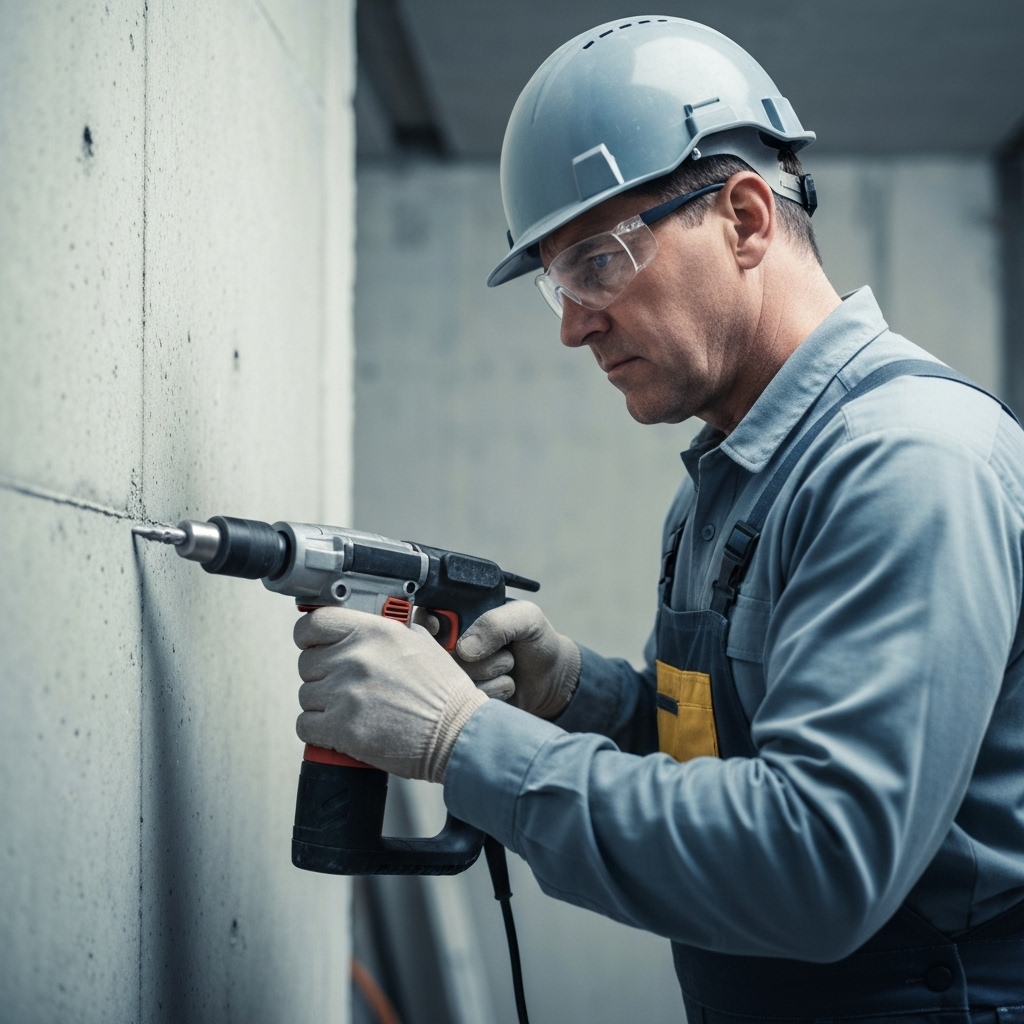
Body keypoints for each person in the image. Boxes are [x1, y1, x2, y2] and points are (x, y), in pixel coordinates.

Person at [293, 17, 1024, 1021]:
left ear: (745, 219)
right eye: (559, 277)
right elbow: (725, 758)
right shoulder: (725, 476)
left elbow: (816, 862)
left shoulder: (905, 463)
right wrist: (584, 695)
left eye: (597, 261)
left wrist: (462, 742)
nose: (570, 322)